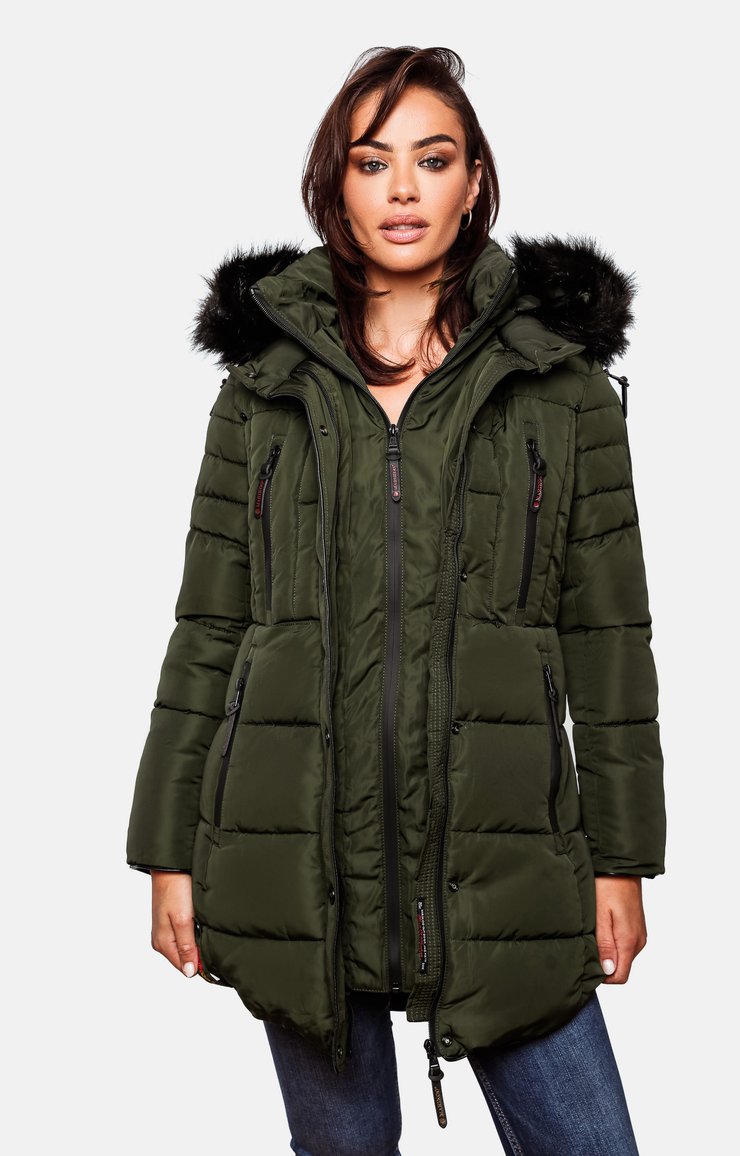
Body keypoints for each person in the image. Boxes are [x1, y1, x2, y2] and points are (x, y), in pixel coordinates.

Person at [126, 44, 666, 1155]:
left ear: (475, 179)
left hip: (503, 857)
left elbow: (609, 640)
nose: (404, 189)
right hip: (294, 850)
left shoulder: (558, 385)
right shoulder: (264, 384)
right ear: (337, 184)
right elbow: (209, 629)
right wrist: (167, 850)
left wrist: (620, 860)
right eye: (373, 163)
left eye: (433, 158)